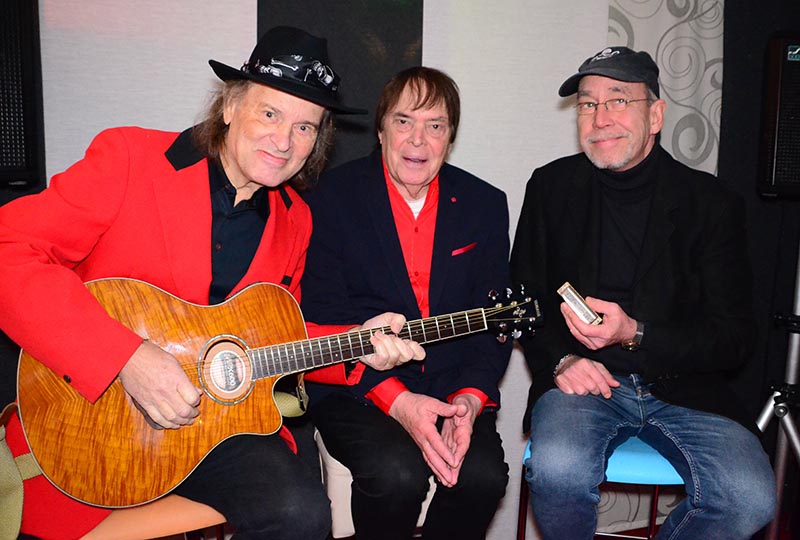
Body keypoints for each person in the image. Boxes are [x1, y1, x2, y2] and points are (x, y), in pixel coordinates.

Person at [0, 26, 425, 540]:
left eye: (305, 127)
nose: (284, 141)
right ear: (229, 106)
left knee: (302, 513)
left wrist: (359, 343)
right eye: (270, 114)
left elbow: (276, 336)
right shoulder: (130, 159)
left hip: (215, 429)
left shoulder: (295, 220)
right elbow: (9, 251)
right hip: (92, 429)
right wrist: (125, 358)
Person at [510, 46, 777, 539]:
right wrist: (560, 361)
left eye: (618, 100)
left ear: (655, 115)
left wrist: (636, 332)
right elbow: (523, 300)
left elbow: (735, 337)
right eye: (588, 104)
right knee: (559, 469)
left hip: (686, 387)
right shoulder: (550, 187)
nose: (600, 118)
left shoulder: (711, 203)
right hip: (585, 382)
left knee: (749, 498)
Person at [300, 66, 511, 540]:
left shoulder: (484, 204)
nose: (418, 139)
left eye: (435, 125)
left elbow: (495, 322)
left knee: (482, 479)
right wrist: (399, 402)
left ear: (449, 138)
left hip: (453, 383)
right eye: (403, 121)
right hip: (359, 387)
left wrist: (470, 400)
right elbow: (324, 317)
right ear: (380, 131)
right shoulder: (328, 199)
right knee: (397, 477)